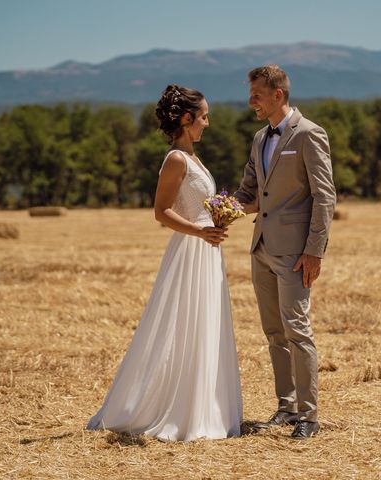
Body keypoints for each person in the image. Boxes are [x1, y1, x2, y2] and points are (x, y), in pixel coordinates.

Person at [87, 85, 243, 441]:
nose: (207, 122)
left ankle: (204, 405)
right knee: (182, 324)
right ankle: (171, 410)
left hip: (206, 250)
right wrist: (199, 231)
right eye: (203, 116)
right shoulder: (176, 159)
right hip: (190, 251)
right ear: (186, 119)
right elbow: (161, 212)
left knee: (204, 325)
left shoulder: (194, 158)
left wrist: (217, 222)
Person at [234, 65, 336, 439]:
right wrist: (219, 209)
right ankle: (287, 407)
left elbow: (325, 196)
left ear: (277, 95)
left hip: (296, 253)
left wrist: (315, 251)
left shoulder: (310, 134)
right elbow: (249, 193)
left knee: (298, 330)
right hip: (260, 247)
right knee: (274, 332)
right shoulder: (260, 138)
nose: (251, 102)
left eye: (256, 95)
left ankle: (310, 416)